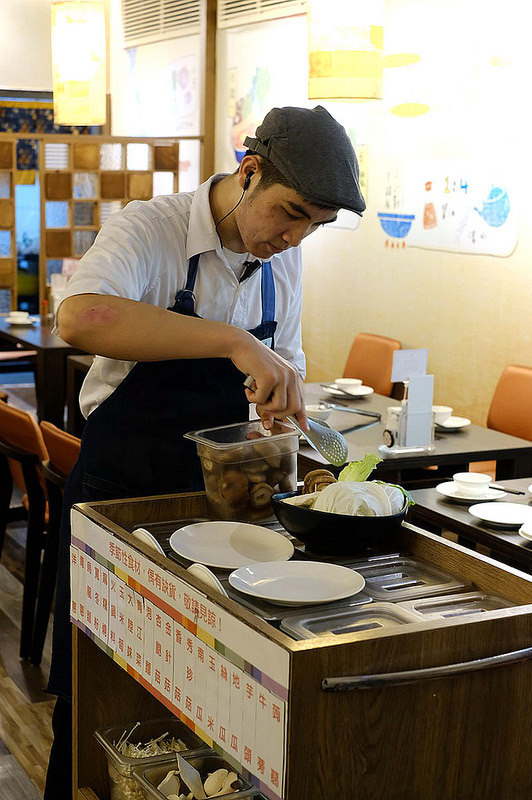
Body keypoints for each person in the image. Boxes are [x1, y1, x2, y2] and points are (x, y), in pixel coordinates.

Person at [43, 104, 365, 798]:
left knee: (199, 692)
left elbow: (284, 363)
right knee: (99, 687)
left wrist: (279, 410)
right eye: (291, 212)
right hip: (117, 498)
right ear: (249, 172)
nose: (296, 235)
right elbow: (81, 317)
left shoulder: (283, 264)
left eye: (315, 225)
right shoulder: (152, 229)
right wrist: (233, 340)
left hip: (217, 506)